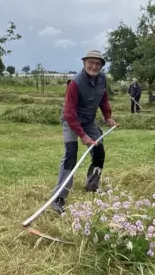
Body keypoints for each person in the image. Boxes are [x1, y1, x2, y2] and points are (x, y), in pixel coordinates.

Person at [51, 50, 118, 215]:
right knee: (71, 155)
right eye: (91, 62)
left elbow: (103, 99)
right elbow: (69, 112)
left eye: (98, 63)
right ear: (84, 63)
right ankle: (59, 198)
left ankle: (92, 186)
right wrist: (83, 135)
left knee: (99, 151)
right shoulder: (75, 83)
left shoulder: (102, 79)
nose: (94, 66)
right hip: (71, 121)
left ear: (101, 66)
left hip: (88, 121)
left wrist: (108, 116)